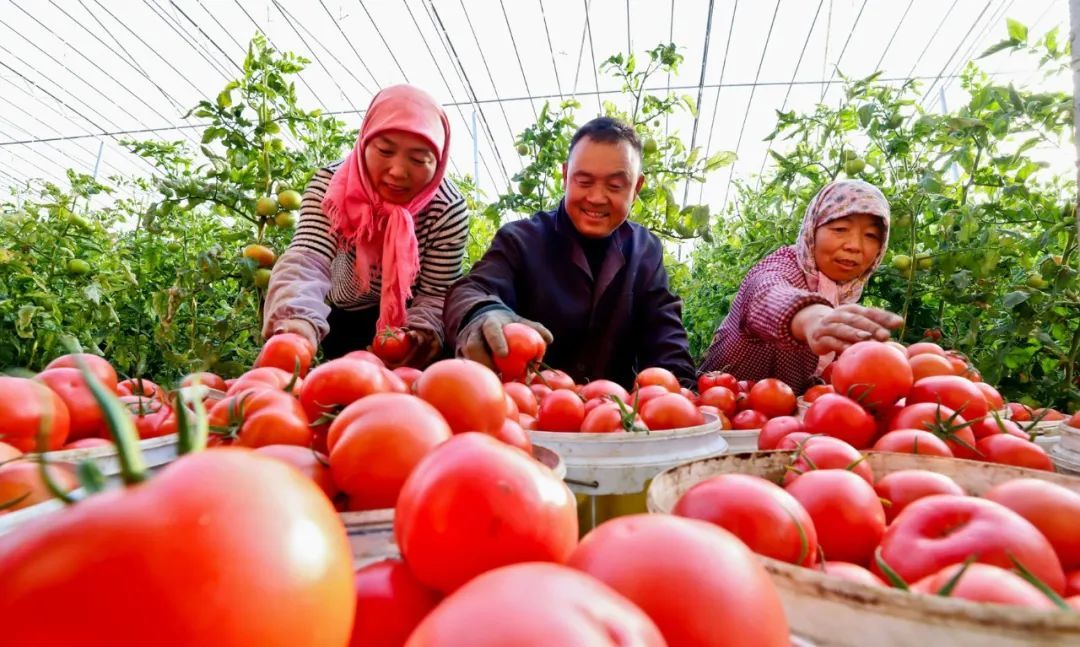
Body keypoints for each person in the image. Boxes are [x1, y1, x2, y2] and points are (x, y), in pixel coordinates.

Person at [443, 116, 695, 390]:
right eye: (584, 181)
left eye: (614, 186)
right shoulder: (521, 240)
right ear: (565, 176)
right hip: (527, 407)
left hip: (612, 411)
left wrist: (682, 392)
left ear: (636, 188)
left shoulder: (645, 250)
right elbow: (472, 289)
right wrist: (483, 312)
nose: (596, 198)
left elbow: (664, 333)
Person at [262, 85, 468, 366]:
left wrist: (419, 335)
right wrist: (296, 323)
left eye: (419, 159)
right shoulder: (332, 185)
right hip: (344, 312)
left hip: (408, 311)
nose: (398, 171)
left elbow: (437, 292)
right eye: (385, 150)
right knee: (344, 382)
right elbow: (308, 257)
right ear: (363, 143)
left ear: (439, 160)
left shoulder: (446, 208)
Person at [698, 180, 903, 393]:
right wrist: (810, 315)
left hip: (781, 410)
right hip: (716, 403)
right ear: (813, 229)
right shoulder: (782, 266)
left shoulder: (845, 295)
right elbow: (765, 292)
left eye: (871, 235)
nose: (855, 246)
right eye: (840, 229)